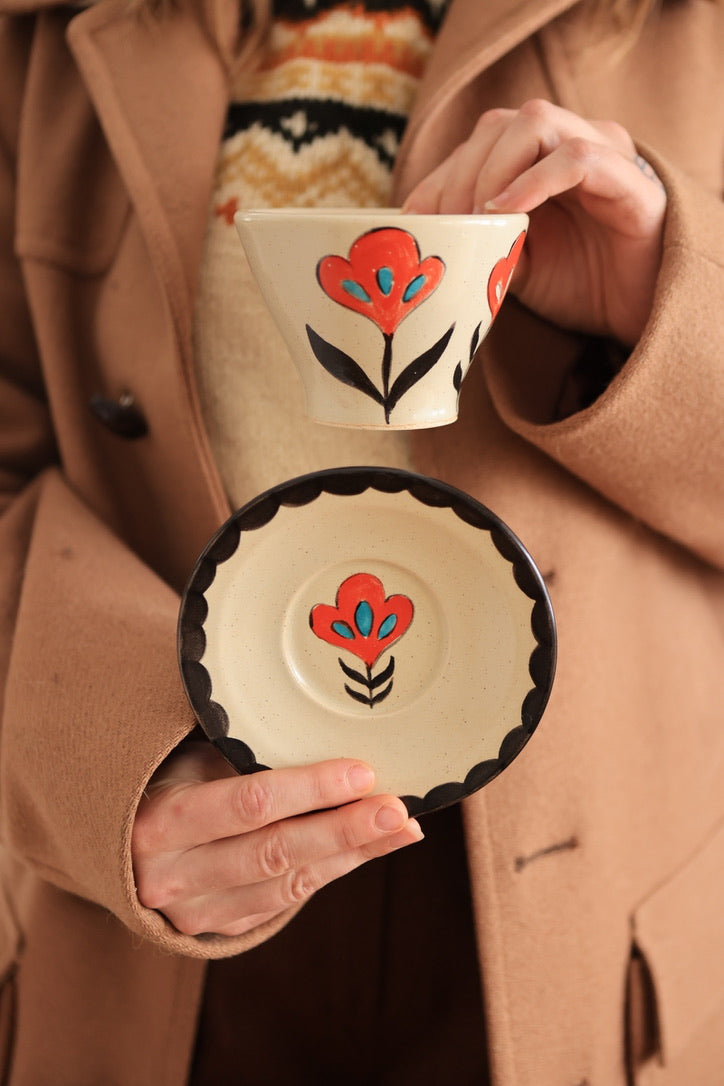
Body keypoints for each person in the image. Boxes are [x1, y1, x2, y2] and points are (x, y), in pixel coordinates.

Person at [0, 0, 723, 1082]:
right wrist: (103, 760)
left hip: (583, 923)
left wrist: (661, 306)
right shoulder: (38, 44)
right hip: (175, 881)